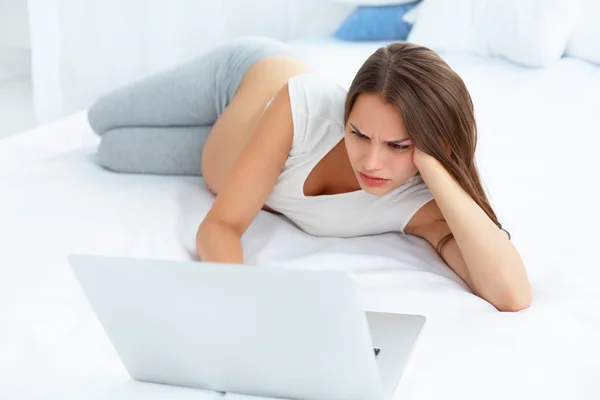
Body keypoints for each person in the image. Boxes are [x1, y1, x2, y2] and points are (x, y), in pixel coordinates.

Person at [87, 36, 531, 312]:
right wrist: (240, 304)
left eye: (398, 145)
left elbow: (512, 295)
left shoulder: (422, 208)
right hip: (242, 79)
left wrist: (434, 163)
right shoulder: (306, 105)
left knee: (112, 151)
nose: (372, 162)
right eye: (359, 134)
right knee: (99, 118)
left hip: (215, 150)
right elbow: (221, 224)